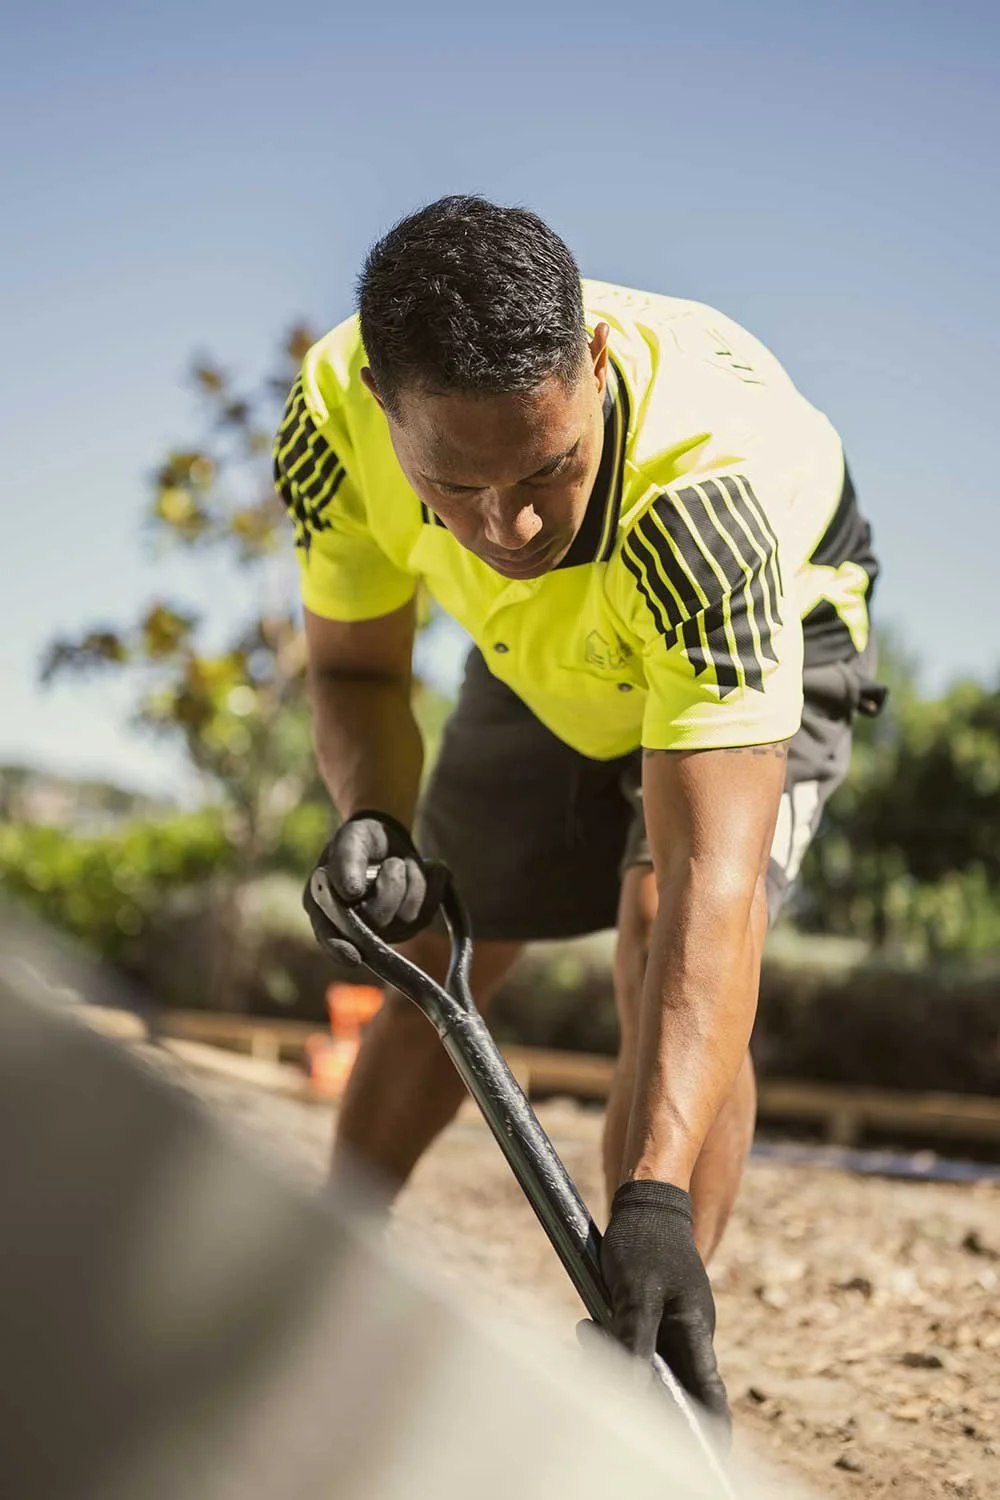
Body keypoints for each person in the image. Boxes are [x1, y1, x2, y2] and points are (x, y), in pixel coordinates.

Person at [274, 194, 883, 1424]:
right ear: (385, 413)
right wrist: (377, 826)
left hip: (761, 628)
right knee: (442, 942)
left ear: (591, 364)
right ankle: (316, 1272)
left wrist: (650, 1200)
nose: (513, 526)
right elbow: (351, 670)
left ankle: (643, 1358)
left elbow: (712, 875)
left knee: (660, 919)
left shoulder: (704, 493)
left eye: (548, 465)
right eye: (456, 485)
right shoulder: (327, 418)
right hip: (538, 659)